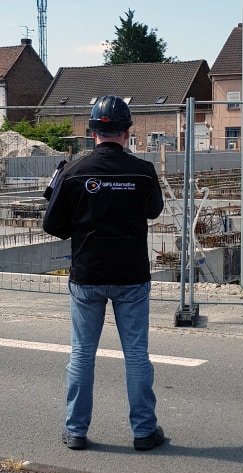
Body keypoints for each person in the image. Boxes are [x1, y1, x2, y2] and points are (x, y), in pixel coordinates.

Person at [42, 95, 166, 452]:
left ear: (91, 131)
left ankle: (76, 430)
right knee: (137, 354)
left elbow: (54, 226)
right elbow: (154, 211)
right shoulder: (142, 171)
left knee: (82, 354)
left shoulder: (74, 172)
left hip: (88, 274)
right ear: (128, 131)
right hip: (131, 274)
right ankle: (144, 431)